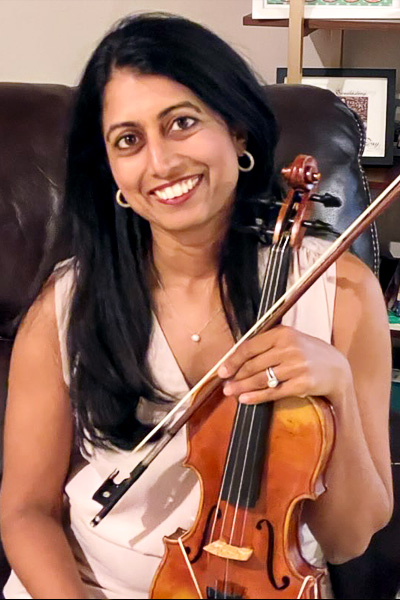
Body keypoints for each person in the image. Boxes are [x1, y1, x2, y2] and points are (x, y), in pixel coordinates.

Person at [0, 11, 393, 600]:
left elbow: (346, 542)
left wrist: (334, 383)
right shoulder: (67, 305)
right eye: (128, 140)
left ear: (237, 134)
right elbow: (27, 511)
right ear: (112, 171)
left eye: (181, 123)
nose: (160, 163)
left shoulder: (342, 295)